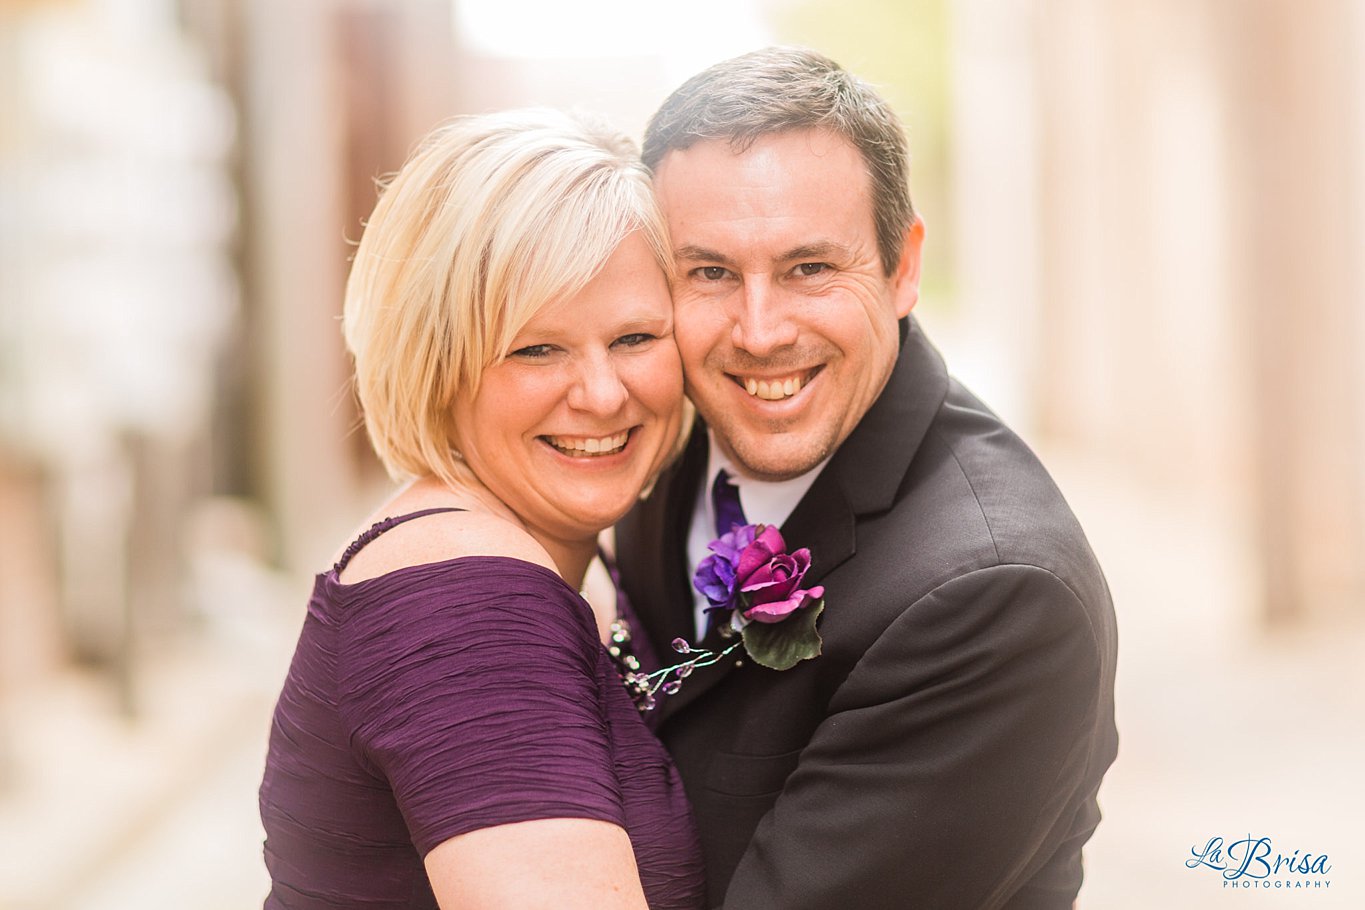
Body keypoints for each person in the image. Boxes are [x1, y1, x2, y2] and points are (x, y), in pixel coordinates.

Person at [614, 47, 1119, 909]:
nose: (760, 331)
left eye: (809, 268)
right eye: (710, 273)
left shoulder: (995, 595)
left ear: (902, 267)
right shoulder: (657, 448)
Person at [259, 109, 705, 910]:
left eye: (636, 338)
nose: (603, 394)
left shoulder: (571, 560)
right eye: (536, 349)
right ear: (437, 365)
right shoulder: (467, 599)